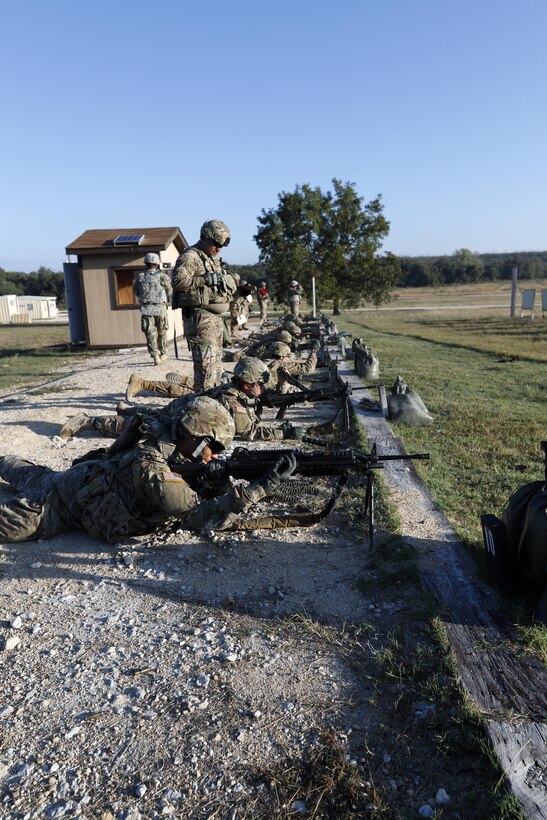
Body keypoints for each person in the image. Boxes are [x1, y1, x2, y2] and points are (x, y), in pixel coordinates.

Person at [0, 396, 297, 543]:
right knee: (16, 522)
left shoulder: (167, 435)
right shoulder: (152, 467)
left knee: (29, 473)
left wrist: (216, 478)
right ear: (195, 437)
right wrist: (257, 491)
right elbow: (199, 517)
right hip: (62, 503)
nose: (215, 454)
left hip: (80, 477)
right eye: (214, 447)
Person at [58, 358, 307, 443]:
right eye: (259, 384)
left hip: (183, 408)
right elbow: (249, 431)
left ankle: (129, 409)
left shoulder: (237, 391)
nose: (262, 388)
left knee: (149, 414)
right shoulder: (233, 401)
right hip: (178, 418)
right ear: (246, 384)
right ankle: (87, 421)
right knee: (136, 428)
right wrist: (285, 433)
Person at [172, 220, 237, 392]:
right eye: (216, 244)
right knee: (205, 372)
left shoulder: (212, 258)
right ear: (205, 238)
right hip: (200, 320)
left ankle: (211, 405)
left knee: (216, 370)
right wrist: (204, 279)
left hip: (214, 320)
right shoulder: (191, 256)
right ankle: (202, 408)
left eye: (222, 245)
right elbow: (178, 281)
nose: (219, 248)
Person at [133, 253, 173, 365]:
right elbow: (169, 291)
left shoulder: (141, 277)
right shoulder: (163, 276)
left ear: (146, 263)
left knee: (150, 333)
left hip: (146, 307)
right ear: (157, 263)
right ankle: (163, 353)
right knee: (162, 331)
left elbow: (136, 292)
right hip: (160, 307)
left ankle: (155, 355)